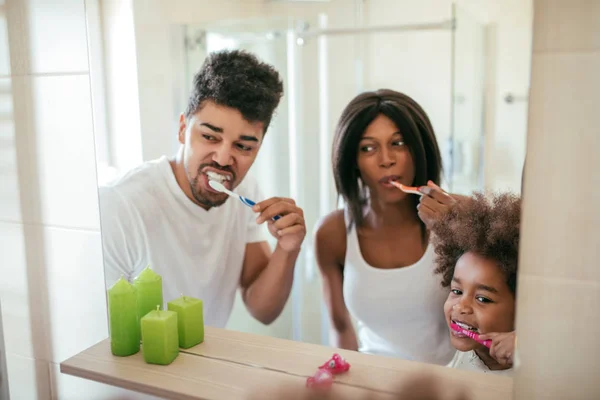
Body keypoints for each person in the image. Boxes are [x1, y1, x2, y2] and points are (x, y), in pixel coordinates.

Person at [100, 50, 306, 328]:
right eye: (209, 136)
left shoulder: (246, 190)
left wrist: (287, 249)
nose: (222, 159)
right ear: (183, 128)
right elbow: (101, 332)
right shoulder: (120, 205)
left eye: (243, 146)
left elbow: (262, 310)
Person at [314, 89, 460, 365]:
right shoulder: (332, 234)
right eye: (368, 148)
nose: (386, 159)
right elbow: (341, 328)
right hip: (372, 381)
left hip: (448, 381)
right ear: (352, 161)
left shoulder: (453, 218)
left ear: (419, 149)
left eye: (399, 143)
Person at [431, 191, 519, 375]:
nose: (461, 307)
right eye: (456, 291)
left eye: (483, 299)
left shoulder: (537, 372)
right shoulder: (469, 352)